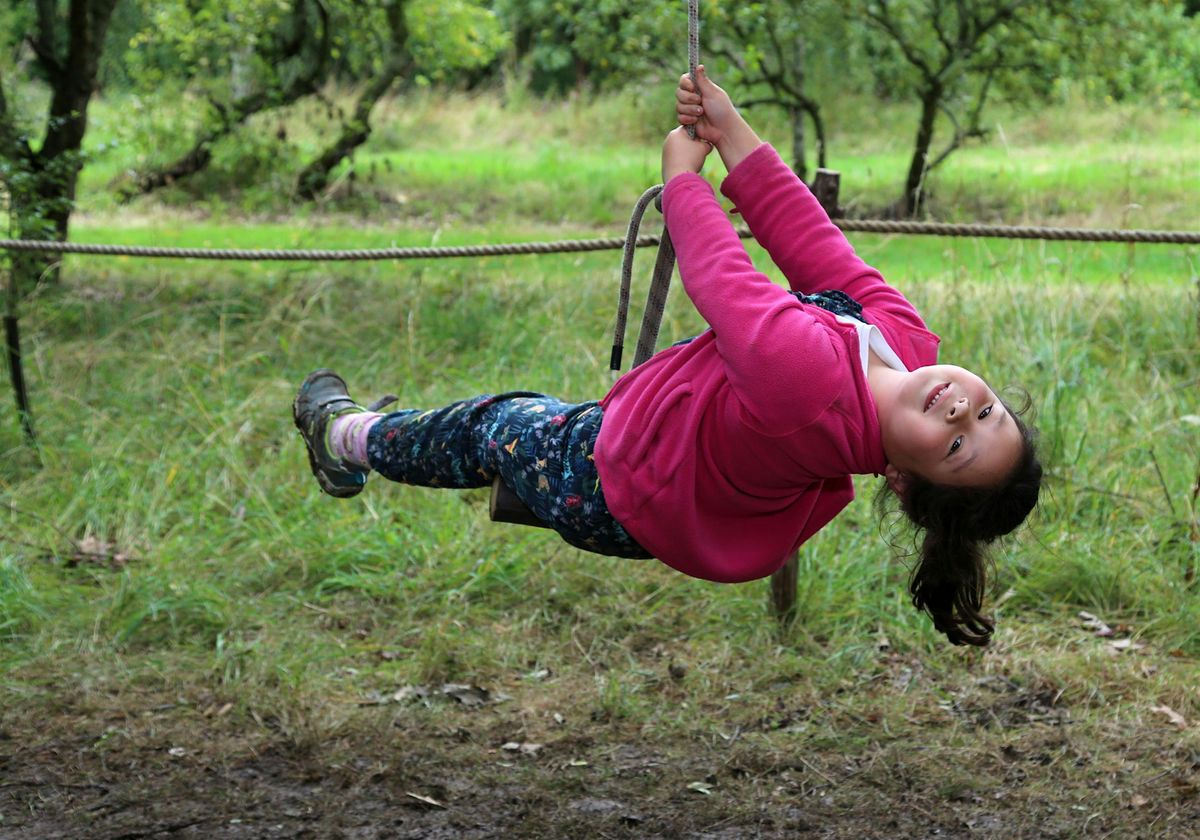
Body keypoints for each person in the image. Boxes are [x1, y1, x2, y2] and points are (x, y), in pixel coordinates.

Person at [294, 68, 1042, 646]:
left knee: (494, 424)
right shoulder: (908, 346)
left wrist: (685, 179)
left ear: (905, 482)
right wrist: (734, 132)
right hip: (661, 450)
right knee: (521, 434)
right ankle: (437, 452)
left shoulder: (809, 386)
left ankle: (345, 439)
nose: (958, 409)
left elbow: (725, 280)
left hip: (616, 484)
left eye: (954, 446)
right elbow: (813, 245)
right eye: (985, 411)